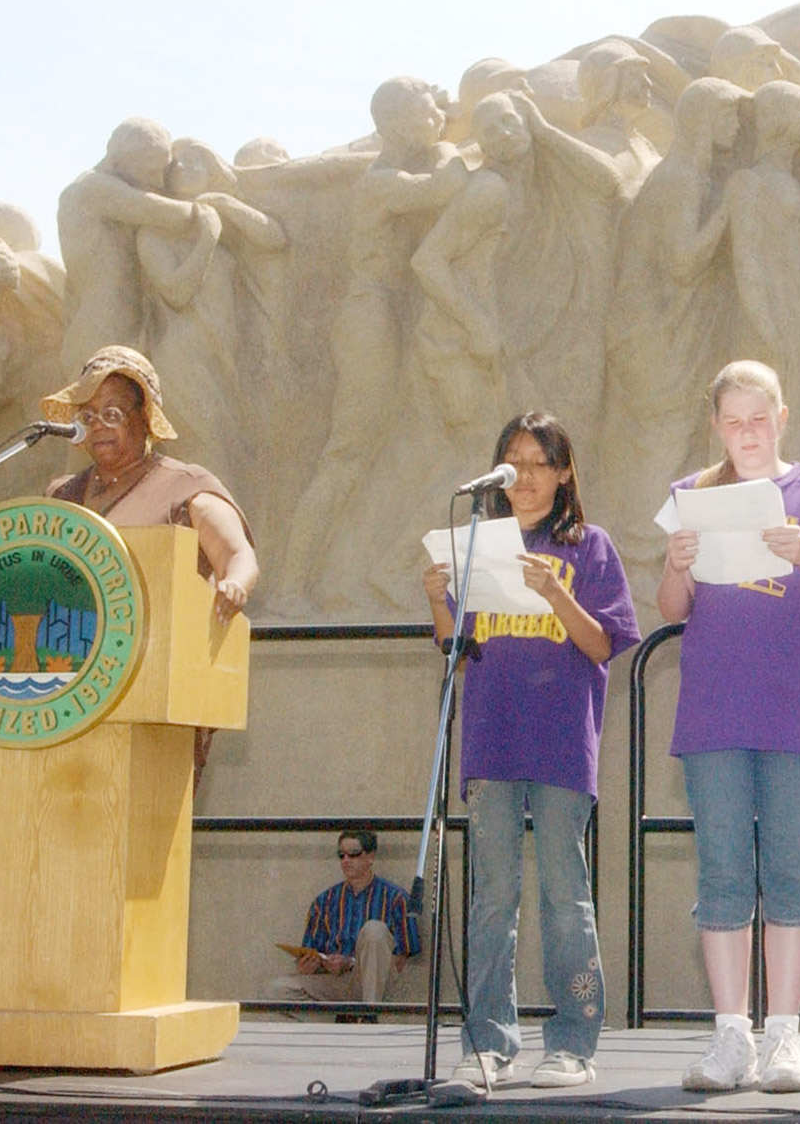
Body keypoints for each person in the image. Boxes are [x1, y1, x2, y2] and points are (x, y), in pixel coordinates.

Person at [655, 360, 800, 1093]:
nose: (746, 431)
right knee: (721, 872)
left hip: (792, 711)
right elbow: (671, 607)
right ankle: (729, 1037)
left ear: (782, 416)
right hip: (714, 711)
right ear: (716, 425)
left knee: (789, 873)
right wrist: (677, 564)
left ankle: (785, 1037)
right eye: (732, 420)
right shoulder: (691, 495)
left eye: (758, 417)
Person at [421, 412, 640, 1089]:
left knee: (564, 893)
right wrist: (437, 602)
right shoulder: (479, 543)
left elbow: (605, 645)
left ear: (564, 470)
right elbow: (461, 650)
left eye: (540, 461)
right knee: (492, 895)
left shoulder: (589, 546)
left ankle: (573, 1040)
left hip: (560, 743)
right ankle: (488, 1040)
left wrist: (556, 594)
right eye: (513, 461)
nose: (526, 475)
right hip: (492, 738)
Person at [40, 345, 259, 784]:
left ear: (146, 420)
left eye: (113, 413)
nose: (98, 425)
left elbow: (240, 556)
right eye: (88, 415)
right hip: (63, 697)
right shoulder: (60, 497)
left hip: (155, 696)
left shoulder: (185, 486)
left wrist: (235, 584)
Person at [266, 830, 420, 1014]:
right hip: (335, 980)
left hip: (374, 982)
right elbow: (311, 951)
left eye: (353, 854)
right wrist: (311, 965)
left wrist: (352, 963)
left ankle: (368, 1017)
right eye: (341, 855)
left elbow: (402, 958)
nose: (346, 860)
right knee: (274, 991)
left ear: (370, 857)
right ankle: (326, 1035)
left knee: (374, 930)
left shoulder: (396, 898)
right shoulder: (324, 901)